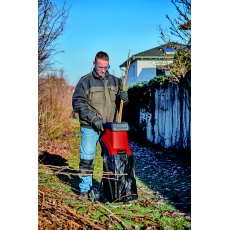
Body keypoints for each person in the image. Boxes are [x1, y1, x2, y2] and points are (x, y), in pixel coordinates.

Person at [72, 51, 128, 200]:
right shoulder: (85, 81)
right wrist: (93, 119)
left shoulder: (116, 81)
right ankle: (85, 190)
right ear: (94, 64)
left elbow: (122, 104)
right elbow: (78, 103)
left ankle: (109, 188)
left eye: (106, 67)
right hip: (90, 127)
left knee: (109, 159)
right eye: (100, 67)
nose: (103, 70)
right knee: (87, 158)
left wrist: (125, 98)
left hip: (110, 129)